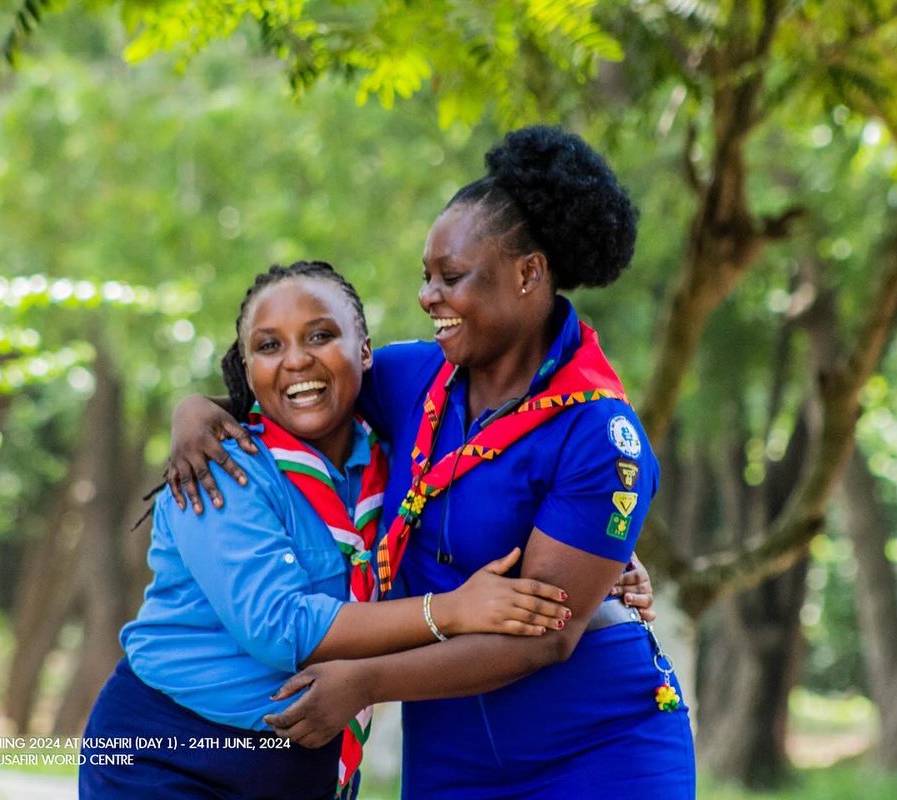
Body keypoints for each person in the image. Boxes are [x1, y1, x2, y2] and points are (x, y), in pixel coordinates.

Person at [168, 127, 695, 798]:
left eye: (451, 278)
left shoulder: (599, 432)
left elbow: (546, 640)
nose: (427, 297)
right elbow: (299, 390)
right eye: (426, 278)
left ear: (528, 274)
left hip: (598, 745)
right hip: (450, 746)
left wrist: (367, 679)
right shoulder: (413, 377)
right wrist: (195, 410)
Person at [79, 261, 576, 800]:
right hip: (166, 755)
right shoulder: (221, 468)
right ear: (247, 370)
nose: (296, 359)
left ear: (365, 350)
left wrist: (603, 558)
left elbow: (486, 526)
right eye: (269, 347)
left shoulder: (403, 469)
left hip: (309, 763)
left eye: (321, 335)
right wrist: (452, 610)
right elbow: (280, 627)